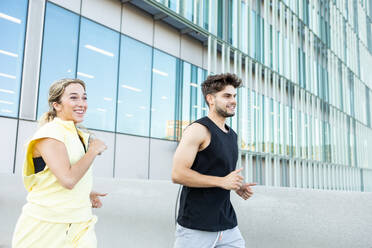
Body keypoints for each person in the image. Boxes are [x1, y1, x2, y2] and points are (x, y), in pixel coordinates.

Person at [12, 78, 107, 247]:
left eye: (84, 98)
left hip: (80, 223)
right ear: (57, 105)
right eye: (73, 97)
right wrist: (92, 151)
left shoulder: (77, 134)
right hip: (46, 228)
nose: (81, 103)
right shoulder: (50, 133)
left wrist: (85, 192)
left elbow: (59, 176)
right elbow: (68, 179)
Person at [172, 73, 256, 248]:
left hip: (227, 226)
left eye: (234, 96)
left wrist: (236, 186)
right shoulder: (198, 130)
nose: (233, 100)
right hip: (195, 227)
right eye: (226, 96)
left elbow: (220, 174)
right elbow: (178, 174)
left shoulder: (232, 135)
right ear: (210, 99)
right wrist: (222, 181)